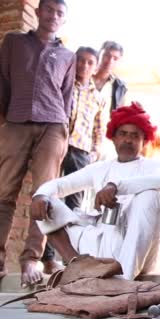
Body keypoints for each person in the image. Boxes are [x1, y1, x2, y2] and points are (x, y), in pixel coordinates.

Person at [0, 0, 75, 293]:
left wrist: (64, 131)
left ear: (63, 19)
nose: (53, 16)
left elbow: (67, 100)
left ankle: (32, 258)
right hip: (15, 122)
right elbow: (1, 85)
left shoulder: (68, 55)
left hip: (53, 126)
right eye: (49, 10)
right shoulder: (14, 42)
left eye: (59, 13)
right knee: (4, 196)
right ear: (39, 12)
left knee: (44, 196)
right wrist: (1, 127)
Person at [30, 103, 160, 280]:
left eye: (135, 136)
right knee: (46, 201)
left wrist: (116, 186)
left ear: (143, 141)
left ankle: (124, 279)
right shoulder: (100, 168)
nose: (128, 140)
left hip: (138, 252)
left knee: (150, 195)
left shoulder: (152, 166)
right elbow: (60, 185)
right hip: (102, 245)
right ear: (114, 138)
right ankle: (76, 265)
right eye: (123, 134)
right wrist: (41, 195)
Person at [62, 46, 105, 210]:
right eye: (80, 60)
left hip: (81, 151)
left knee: (75, 200)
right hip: (59, 142)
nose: (84, 65)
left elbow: (98, 129)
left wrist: (95, 151)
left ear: (95, 68)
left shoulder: (98, 98)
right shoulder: (64, 85)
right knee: (50, 190)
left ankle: (70, 234)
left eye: (90, 62)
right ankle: (48, 235)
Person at [93, 40, 127, 161]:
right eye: (107, 55)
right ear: (100, 54)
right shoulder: (85, 77)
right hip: (79, 135)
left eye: (115, 58)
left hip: (103, 140)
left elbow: (119, 114)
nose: (110, 61)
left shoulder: (119, 87)